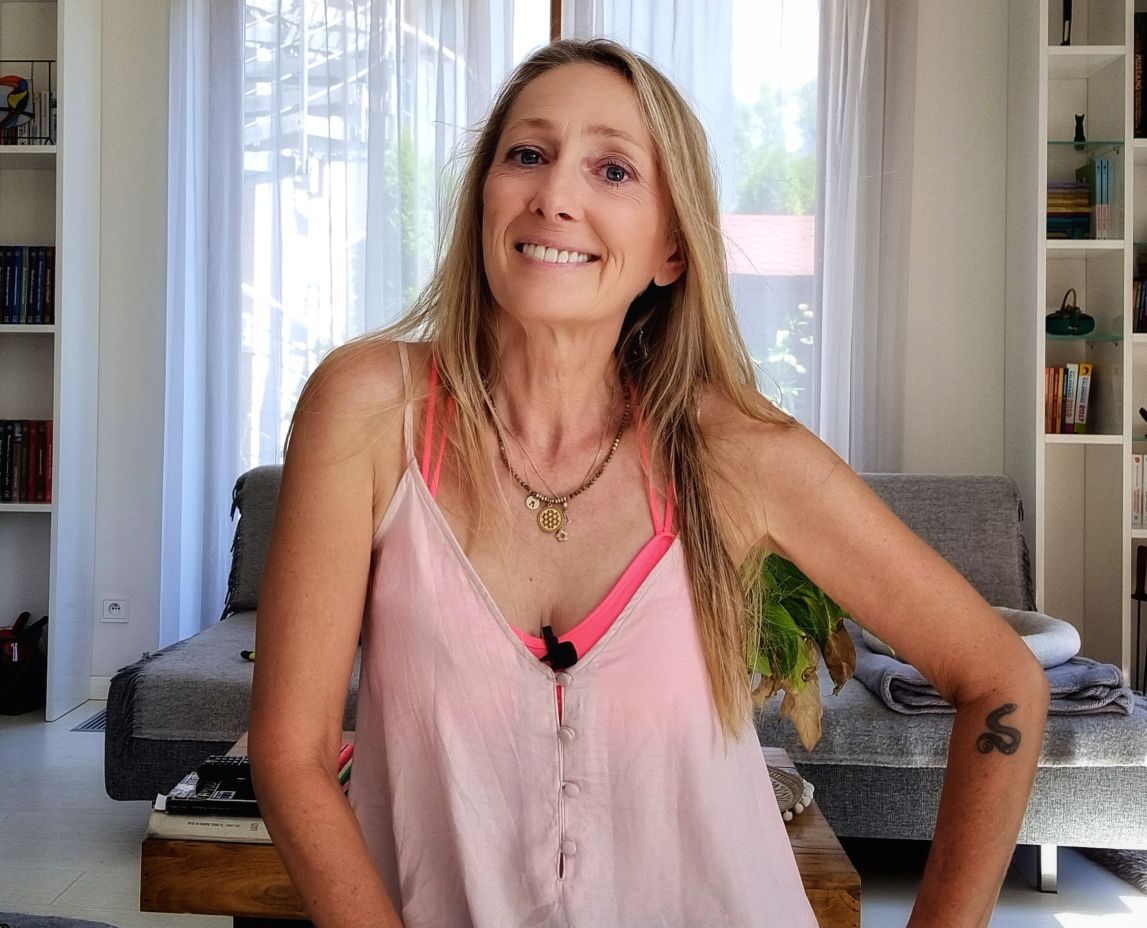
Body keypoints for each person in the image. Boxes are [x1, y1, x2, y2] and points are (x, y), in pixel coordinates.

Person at [248, 37, 1050, 928]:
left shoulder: (735, 450)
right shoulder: (368, 408)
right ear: (482, 201)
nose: (555, 196)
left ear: (671, 248)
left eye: (612, 170)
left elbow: (1001, 679)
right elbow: (291, 753)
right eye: (528, 155)